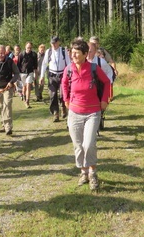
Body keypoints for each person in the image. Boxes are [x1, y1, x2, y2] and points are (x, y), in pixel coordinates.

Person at [61, 37, 110, 191]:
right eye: (72, 52)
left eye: (76, 53)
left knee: (88, 144)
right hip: (74, 112)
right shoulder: (68, 69)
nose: (73, 55)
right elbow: (64, 84)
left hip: (92, 113)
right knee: (78, 144)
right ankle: (83, 172)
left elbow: (107, 82)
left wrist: (104, 100)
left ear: (84, 54)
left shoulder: (94, 68)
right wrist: (66, 99)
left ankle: (93, 173)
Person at [0, 44, 20, 135]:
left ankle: (8, 126)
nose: (2, 55)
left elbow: (17, 73)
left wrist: (12, 81)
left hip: (8, 87)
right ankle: (3, 124)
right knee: (0, 106)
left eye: (3, 53)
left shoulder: (10, 61)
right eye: (0, 53)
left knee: (7, 104)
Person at [39, 36, 71, 122]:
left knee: (62, 94)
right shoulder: (48, 52)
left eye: (55, 43)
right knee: (53, 95)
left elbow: (69, 64)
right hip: (52, 76)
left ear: (58, 42)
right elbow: (44, 64)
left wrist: (70, 75)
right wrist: (41, 76)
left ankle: (63, 107)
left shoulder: (63, 51)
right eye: (52, 43)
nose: (53, 45)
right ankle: (55, 113)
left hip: (62, 75)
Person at [17, 41, 38, 108]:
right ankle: (24, 95)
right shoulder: (21, 54)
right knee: (24, 87)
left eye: (30, 47)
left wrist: (36, 74)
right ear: (25, 47)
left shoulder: (34, 54)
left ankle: (27, 101)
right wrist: (18, 74)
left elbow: (35, 65)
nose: (29, 49)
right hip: (22, 73)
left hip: (30, 72)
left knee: (28, 85)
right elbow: (18, 65)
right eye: (28, 47)